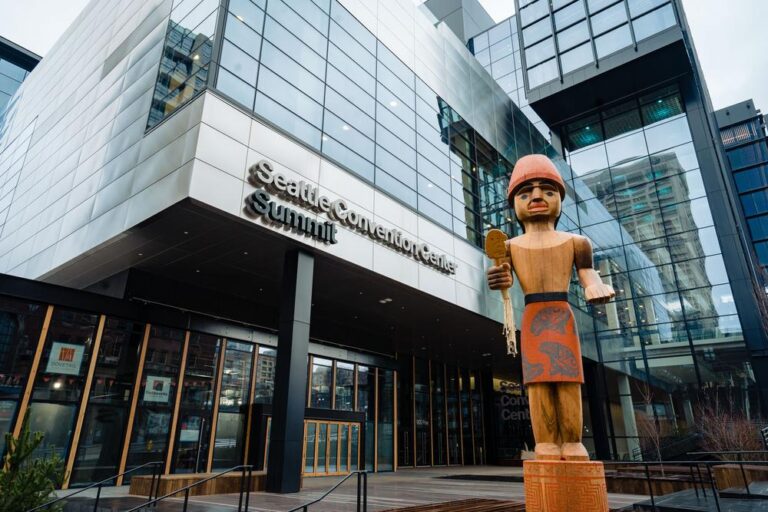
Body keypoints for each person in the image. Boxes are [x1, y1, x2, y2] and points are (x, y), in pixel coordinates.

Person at [487, 154, 614, 461]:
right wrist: (497, 276)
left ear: (560, 198)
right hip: (532, 317)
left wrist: (594, 285)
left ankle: (572, 442)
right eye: (525, 192)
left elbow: (588, 273)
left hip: (562, 313)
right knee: (538, 382)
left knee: (569, 380)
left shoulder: (577, 242)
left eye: (547, 189)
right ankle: (544, 442)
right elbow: (501, 278)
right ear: (514, 203)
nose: (537, 197)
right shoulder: (509, 246)